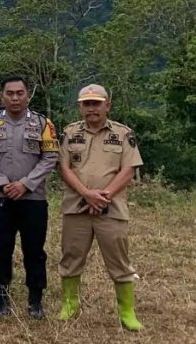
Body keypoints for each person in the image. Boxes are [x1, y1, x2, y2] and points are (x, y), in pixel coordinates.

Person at [56, 84, 144, 331]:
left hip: (112, 208)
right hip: (77, 208)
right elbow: (64, 168)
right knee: (71, 257)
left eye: (96, 103)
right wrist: (86, 194)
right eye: (87, 103)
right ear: (80, 107)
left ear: (108, 105)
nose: (91, 108)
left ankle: (127, 312)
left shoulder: (123, 134)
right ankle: (69, 304)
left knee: (119, 261)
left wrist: (103, 197)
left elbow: (128, 169)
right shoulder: (69, 133)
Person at [0, 75, 58, 319]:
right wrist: (2, 183)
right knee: (0, 247)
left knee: (34, 250)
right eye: (9, 93)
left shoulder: (43, 124)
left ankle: (35, 300)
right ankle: (1, 298)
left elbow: (50, 157)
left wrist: (26, 184)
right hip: (0, 197)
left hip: (33, 199)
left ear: (28, 95)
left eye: (19, 93)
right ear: (2, 96)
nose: (14, 98)